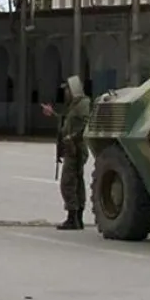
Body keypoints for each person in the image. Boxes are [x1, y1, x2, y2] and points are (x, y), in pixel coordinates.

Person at [41, 74, 92, 230]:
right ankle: (77, 218)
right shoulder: (75, 106)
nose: (65, 93)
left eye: (67, 90)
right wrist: (53, 114)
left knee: (68, 183)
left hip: (76, 149)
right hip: (73, 148)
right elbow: (69, 123)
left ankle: (73, 217)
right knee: (76, 182)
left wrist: (72, 138)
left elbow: (84, 125)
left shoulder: (82, 105)